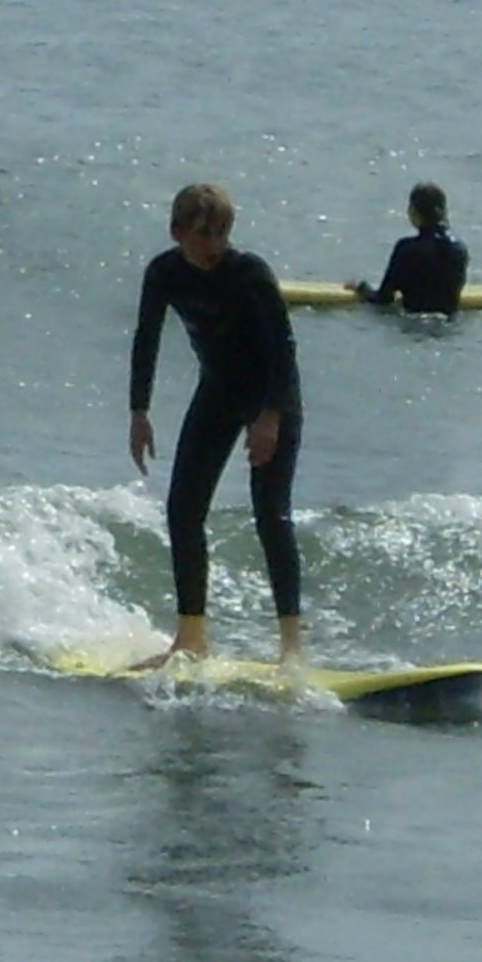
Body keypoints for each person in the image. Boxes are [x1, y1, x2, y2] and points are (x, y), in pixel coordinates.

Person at [129, 183, 305, 666]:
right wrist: (139, 413)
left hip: (272, 395)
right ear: (177, 231)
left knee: (270, 513)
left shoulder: (248, 274)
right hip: (218, 393)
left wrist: (269, 418)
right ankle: (191, 638)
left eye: (222, 234)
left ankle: (291, 646)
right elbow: (147, 338)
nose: (214, 246)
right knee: (183, 511)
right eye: (205, 235)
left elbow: (283, 351)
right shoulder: (164, 272)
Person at [348, 181, 469, 316]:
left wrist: (361, 288)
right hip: (448, 327)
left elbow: (383, 299)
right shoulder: (459, 249)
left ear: (413, 211)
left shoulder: (406, 249)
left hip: (412, 327)